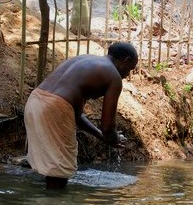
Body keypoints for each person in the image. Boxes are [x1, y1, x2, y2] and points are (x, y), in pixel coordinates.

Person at [24, 42, 138, 188]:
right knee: (60, 170)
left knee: (53, 166)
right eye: (130, 69)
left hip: (34, 102)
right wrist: (114, 138)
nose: (127, 75)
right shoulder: (114, 77)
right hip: (55, 108)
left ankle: (46, 202)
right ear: (126, 60)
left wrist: (99, 135)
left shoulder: (86, 60)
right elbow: (108, 126)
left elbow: (75, 114)